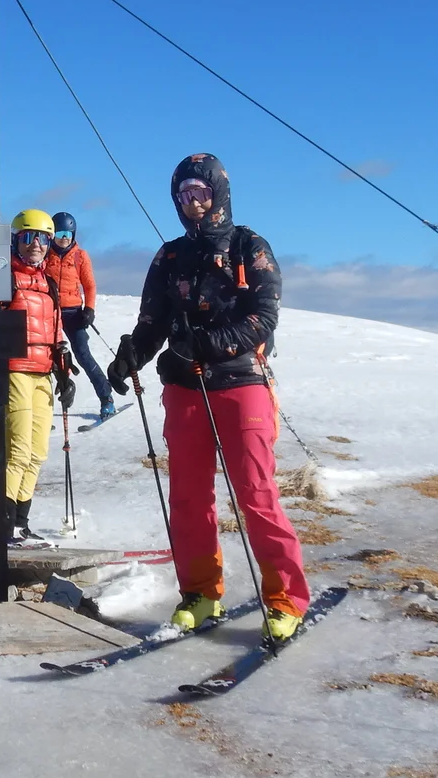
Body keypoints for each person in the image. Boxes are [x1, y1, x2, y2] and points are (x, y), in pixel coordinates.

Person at [105, 153, 309, 642]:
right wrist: (132, 355)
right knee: (189, 497)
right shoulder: (168, 255)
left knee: (256, 496)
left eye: (199, 192)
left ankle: (285, 599)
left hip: (242, 385)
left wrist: (211, 344)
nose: (192, 203)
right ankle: (200, 593)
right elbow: (152, 321)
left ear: (217, 193)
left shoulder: (249, 246)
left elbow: (264, 316)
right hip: (184, 388)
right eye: (182, 196)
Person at [3, 209, 78, 546]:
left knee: (37, 453)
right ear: (16, 240)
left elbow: (56, 326)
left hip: (43, 371)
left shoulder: (48, 282)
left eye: (43, 239)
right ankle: (2, 523)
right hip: (14, 368)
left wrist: (63, 365)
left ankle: (20, 522)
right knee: (18, 451)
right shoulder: (5, 278)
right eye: (28, 237)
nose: (36, 244)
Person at [43, 211, 114, 419]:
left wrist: (89, 309)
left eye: (68, 233)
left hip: (74, 312)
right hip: (50, 312)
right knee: (48, 359)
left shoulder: (80, 255)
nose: (64, 237)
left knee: (83, 354)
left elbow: (89, 285)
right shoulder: (46, 254)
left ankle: (106, 397)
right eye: (59, 232)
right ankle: (44, 410)